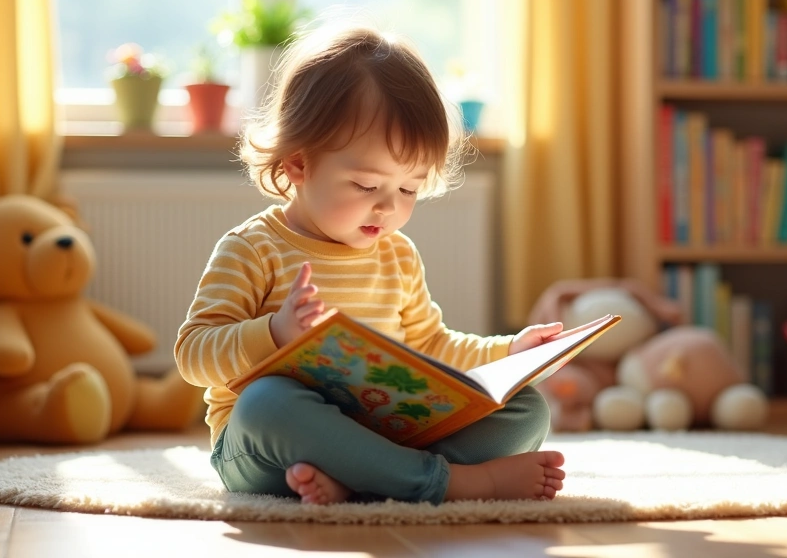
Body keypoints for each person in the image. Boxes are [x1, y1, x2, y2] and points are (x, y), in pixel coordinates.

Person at [175, 25, 566, 506]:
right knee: (266, 401)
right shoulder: (252, 249)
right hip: (269, 452)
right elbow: (193, 355)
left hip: (385, 435)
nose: (388, 209)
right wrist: (274, 333)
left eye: (408, 190)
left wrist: (511, 352)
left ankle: (364, 478)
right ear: (299, 164)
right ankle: (447, 483)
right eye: (365, 186)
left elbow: (432, 346)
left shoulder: (397, 255)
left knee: (526, 407)